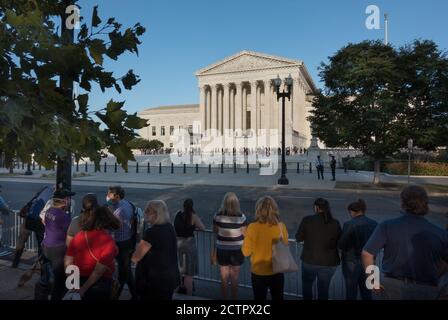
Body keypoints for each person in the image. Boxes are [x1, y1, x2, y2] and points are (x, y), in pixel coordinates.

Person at [362, 185, 448, 300]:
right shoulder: (440, 233)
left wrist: (372, 280)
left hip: (392, 286)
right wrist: (435, 277)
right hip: (426, 288)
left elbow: (367, 254)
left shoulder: (387, 226)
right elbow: (444, 262)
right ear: (426, 203)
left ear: (403, 202)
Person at [65, 206, 120, 300]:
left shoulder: (80, 235)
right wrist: (83, 289)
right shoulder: (108, 241)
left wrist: (74, 284)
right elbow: (98, 271)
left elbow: (68, 261)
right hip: (99, 284)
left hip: (79, 279)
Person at [242, 196, 288, 301]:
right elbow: (285, 244)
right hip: (277, 270)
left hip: (258, 272)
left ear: (258, 209)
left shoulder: (252, 227)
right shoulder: (281, 226)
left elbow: (246, 252)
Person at [132, 200, 180, 300]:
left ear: (156, 214)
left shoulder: (151, 232)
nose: (145, 212)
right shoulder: (169, 227)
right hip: (168, 278)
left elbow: (136, 257)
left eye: (148, 210)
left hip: (153, 282)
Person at [296, 198, 341, 300]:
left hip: (309, 261)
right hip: (329, 263)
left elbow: (298, 238)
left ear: (316, 208)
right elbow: (340, 241)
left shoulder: (307, 220)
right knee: (323, 291)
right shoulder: (335, 223)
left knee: (307, 289)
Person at [338, 199, 377, 300]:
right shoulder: (374, 223)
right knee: (367, 292)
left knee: (351, 292)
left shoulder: (349, 224)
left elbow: (342, 244)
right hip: (370, 262)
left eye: (350, 212)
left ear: (353, 211)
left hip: (351, 262)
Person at [41, 189, 75, 300]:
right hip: (57, 250)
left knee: (53, 276)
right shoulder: (64, 216)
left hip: (47, 247)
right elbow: (70, 234)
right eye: (69, 198)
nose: (70, 200)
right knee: (60, 280)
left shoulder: (49, 210)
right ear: (65, 200)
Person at [213, 192, 247, 299]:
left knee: (223, 278)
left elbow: (215, 231)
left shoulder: (217, 216)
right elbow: (244, 234)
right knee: (235, 279)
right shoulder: (241, 217)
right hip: (237, 250)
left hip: (222, 249)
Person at [106, 186, 137, 299]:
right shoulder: (127, 204)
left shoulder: (119, 210)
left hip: (121, 243)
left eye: (109, 194)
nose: (107, 196)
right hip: (128, 241)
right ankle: (131, 293)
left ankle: (130, 294)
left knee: (125, 270)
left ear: (117, 196)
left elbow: (112, 228)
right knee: (125, 269)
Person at [174, 198, 205, 296]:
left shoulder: (178, 214)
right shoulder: (193, 216)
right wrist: (193, 227)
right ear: (192, 206)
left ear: (183, 206)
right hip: (189, 245)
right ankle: (189, 296)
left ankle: (176, 294)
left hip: (178, 244)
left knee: (179, 269)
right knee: (188, 274)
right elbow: (202, 228)